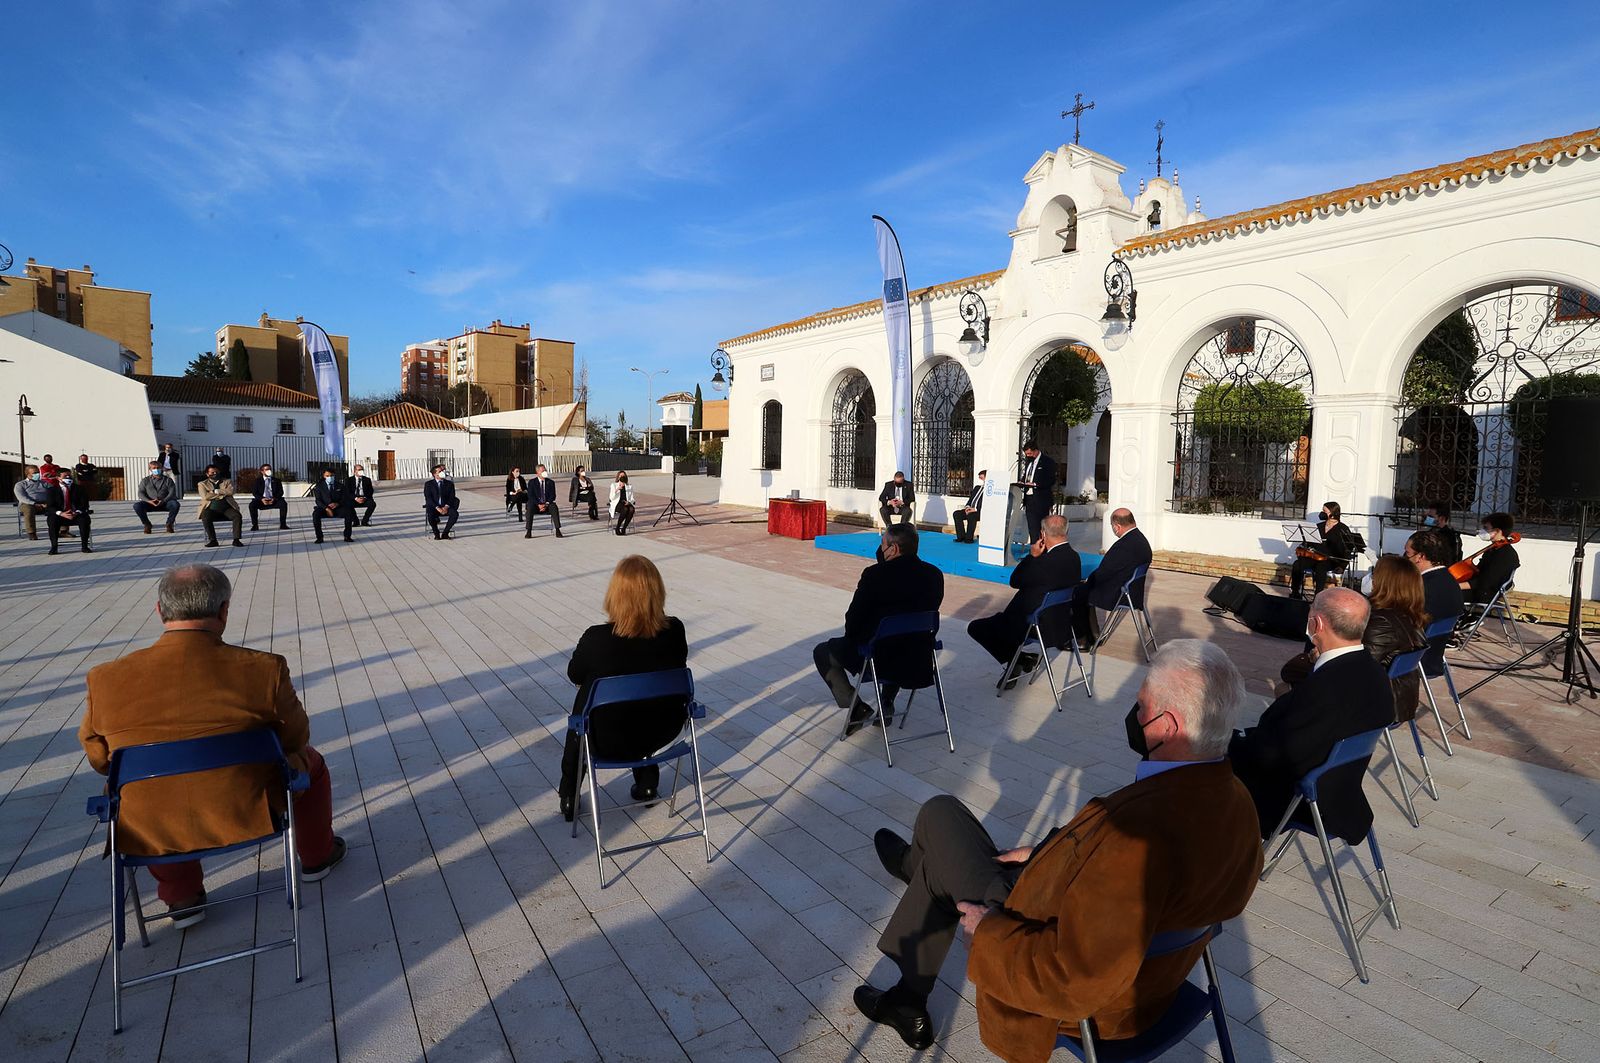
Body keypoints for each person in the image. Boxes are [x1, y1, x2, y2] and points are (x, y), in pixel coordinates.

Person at [855, 640, 1262, 1055]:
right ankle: (918, 879)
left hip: (1048, 938)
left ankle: (915, 888)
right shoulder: (1236, 801)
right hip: (1143, 966)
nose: (1135, 716)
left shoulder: (1138, 836)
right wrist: (1047, 850)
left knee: (939, 814)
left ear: (1169, 726)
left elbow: (1076, 977)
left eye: (1142, 706)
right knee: (942, 847)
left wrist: (989, 930)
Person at [78, 564, 346, 926]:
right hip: (247, 805)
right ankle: (316, 856)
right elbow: (295, 738)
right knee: (310, 762)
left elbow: (100, 759)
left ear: (159, 611)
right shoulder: (263, 668)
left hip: (150, 821)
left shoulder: (104, 679)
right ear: (223, 611)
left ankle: (182, 897)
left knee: (145, 789)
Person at [1228, 588, 1394, 841]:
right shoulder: (1376, 674)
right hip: (1343, 794)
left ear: (1316, 624)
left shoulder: (1323, 689)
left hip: (1298, 798)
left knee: (1194, 755)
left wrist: (1228, 743)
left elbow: (1270, 756)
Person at [558, 555, 689, 821]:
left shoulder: (597, 639)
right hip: (664, 733)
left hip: (606, 738)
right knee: (647, 689)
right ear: (658, 592)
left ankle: (569, 793)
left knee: (586, 699)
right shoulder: (674, 631)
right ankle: (648, 782)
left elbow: (574, 673)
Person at [813, 523, 945, 734]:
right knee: (898, 638)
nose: (880, 548)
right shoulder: (934, 575)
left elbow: (852, 623)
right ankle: (887, 700)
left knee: (822, 651)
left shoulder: (875, 575)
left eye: (882, 544)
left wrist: (856, 639)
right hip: (917, 656)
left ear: (892, 549)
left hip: (879, 658)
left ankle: (857, 708)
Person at [967, 514, 1080, 685]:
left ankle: (1018, 661)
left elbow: (1015, 581)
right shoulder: (1074, 558)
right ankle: (1021, 659)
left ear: (1043, 534)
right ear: (1067, 531)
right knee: (998, 623)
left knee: (976, 628)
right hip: (1061, 624)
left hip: (1033, 625)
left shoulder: (1042, 562)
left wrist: (1031, 557)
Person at [1070, 508, 1153, 645]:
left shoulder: (1123, 546)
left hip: (1119, 594)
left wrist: (1087, 581)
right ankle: (1094, 634)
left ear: (1117, 526)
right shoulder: (1140, 539)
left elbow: (1103, 573)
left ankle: (1082, 638)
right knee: (1084, 590)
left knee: (1077, 593)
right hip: (1133, 591)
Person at [1406, 527, 1464, 677]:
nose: (1405, 558)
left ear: (1420, 556)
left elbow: (1404, 624)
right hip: (1434, 658)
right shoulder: (1449, 580)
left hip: (1414, 660)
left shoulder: (1423, 586)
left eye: (1407, 554)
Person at [1288, 501, 1358, 599]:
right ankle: (1295, 592)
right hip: (1315, 557)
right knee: (1297, 564)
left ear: (1333, 513)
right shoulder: (1318, 526)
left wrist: (1342, 566)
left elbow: (1347, 550)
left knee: (1321, 566)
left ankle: (1318, 596)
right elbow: (1309, 543)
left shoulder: (1343, 529)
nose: (1322, 513)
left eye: (1324, 511)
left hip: (1331, 560)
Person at [1461, 511, 1518, 605]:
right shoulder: (1493, 549)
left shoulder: (1504, 554)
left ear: (1497, 531)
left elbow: (1485, 581)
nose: (1482, 530)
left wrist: (1457, 586)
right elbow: (1479, 572)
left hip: (1485, 593)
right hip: (1479, 589)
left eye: (1486, 528)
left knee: (1446, 593)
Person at [1018, 440, 1057, 543]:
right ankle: (1034, 549)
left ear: (1036, 451)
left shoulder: (1047, 462)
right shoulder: (1029, 462)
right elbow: (1027, 475)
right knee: (1032, 527)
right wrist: (1022, 482)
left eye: (1030, 453)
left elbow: (1051, 480)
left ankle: (1043, 549)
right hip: (1029, 499)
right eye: (1026, 454)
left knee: (1041, 527)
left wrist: (1036, 484)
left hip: (1041, 500)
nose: (1028, 456)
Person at [198, 465, 244, 548]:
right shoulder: (202, 484)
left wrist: (216, 491)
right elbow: (205, 496)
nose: (215, 474)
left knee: (237, 516)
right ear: (207, 474)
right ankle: (213, 540)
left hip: (227, 508)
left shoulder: (227, 481)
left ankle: (236, 540)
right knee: (205, 516)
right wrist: (222, 494)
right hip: (211, 509)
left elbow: (231, 491)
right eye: (212, 472)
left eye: (216, 472)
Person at [47, 470, 93, 554]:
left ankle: (85, 546)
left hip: (76, 514)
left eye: (69, 476)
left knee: (84, 519)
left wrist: (76, 512)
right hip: (60, 515)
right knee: (52, 520)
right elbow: (50, 506)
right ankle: (54, 547)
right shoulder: (52, 490)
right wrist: (61, 513)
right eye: (65, 477)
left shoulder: (80, 489)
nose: (68, 478)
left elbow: (84, 505)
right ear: (58, 478)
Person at [134, 460, 181, 534]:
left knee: (175, 504)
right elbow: (140, 493)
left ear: (161, 468)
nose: (156, 469)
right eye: (154, 468)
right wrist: (149, 501)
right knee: (137, 506)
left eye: (158, 467)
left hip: (165, 503)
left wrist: (163, 501)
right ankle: (147, 524)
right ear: (150, 469)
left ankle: (169, 524)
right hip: (150, 503)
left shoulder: (168, 480)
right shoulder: (145, 480)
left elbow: (172, 493)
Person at [311, 468, 354, 543]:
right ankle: (319, 537)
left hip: (338, 507)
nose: (330, 477)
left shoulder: (340, 486)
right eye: (327, 476)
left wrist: (337, 504)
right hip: (324, 508)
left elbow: (344, 498)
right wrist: (326, 508)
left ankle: (347, 536)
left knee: (349, 513)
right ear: (324, 476)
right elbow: (318, 500)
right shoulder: (319, 486)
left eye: (331, 475)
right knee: (315, 515)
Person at [525, 464, 564, 538]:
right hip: (536, 505)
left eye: (545, 470)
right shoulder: (532, 482)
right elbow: (530, 496)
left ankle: (558, 530)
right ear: (537, 473)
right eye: (542, 471)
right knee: (529, 507)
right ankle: (528, 531)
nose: (544, 472)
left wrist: (546, 504)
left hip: (547, 504)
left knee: (554, 507)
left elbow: (553, 496)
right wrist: (539, 504)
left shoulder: (550, 482)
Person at [1421, 499, 1463, 567]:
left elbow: (1451, 559)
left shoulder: (1451, 537)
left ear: (1442, 518)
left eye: (1431, 517)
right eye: (1427, 516)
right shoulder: (1429, 532)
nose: (1427, 519)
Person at [13, 465, 49, 540]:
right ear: (27, 473)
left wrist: (49, 502)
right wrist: (34, 503)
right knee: (29, 510)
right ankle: (31, 532)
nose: (37, 474)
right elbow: (22, 497)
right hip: (28, 504)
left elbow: (53, 492)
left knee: (59, 506)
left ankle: (63, 530)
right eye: (35, 473)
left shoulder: (44, 483)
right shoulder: (20, 484)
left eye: (38, 472)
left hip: (44, 503)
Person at [249, 464, 289, 531]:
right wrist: (262, 499)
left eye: (270, 469)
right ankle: (255, 525)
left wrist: (274, 498)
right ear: (262, 471)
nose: (269, 471)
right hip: (262, 500)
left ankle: (283, 524)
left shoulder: (276, 480)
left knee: (283, 504)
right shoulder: (257, 481)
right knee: (252, 505)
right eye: (267, 469)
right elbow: (255, 492)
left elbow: (280, 492)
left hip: (274, 499)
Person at [424, 465, 459, 539]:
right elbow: (428, 498)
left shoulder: (449, 484)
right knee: (430, 515)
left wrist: (446, 507)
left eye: (442, 471)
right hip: (434, 507)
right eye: (439, 471)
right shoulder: (428, 484)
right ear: (434, 474)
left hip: (445, 506)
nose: (442, 473)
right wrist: (437, 508)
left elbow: (452, 497)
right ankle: (436, 533)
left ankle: (445, 533)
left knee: (455, 514)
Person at [953, 470, 985, 543]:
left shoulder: (989, 491)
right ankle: (961, 537)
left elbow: (986, 504)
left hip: (979, 511)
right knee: (957, 514)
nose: (981, 479)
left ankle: (969, 538)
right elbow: (970, 500)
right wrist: (967, 507)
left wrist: (975, 509)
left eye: (982, 477)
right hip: (971, 509)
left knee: (971, 516)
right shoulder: (977, 488)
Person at [609, 471, 636, 536]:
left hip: (626, 503)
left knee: (632, 509)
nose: (622, 477)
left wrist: (629, 502)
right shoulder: (614, 485)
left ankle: (624, 528)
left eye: (623, 476)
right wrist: (617, 489)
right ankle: (617, 527)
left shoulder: (629, 486)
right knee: (625, 509)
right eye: (620, 476)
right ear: (618, 477)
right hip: (617, 503)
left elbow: (632, 498)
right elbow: (611, 498)